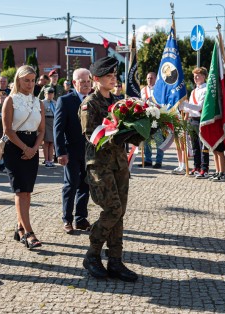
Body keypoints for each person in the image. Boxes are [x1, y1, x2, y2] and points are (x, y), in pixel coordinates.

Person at [79, 56, 138, 282]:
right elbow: (91, 135)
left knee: (119, 212)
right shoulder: (89, 104)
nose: (114, 79)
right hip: (99, 166)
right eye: (108, 76)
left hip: (119, 164)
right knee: (112, 209)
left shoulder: (119, 103)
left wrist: (138, 132)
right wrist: (118, 134)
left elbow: (126, 130)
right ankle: (92, 255)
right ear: (96, 79)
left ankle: (115, 260)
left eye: (115, 75)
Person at [2, 65, 45, 249]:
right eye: (26, 80)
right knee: (20, 191)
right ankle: (28, 232)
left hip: (33, 147)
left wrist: (34, 148)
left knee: (27, 191)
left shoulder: (39, 102)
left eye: (33, 80)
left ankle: (19, 228)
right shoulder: (10, 100)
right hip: (14, 147)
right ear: (18, 80)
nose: (30, 84)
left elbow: (42, 130)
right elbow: (7, 130)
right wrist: (25, 148)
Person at [54, 68, 91, 234]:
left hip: (89, 151)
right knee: (71, 185)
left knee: (85, 185)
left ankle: (81, 219)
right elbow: (58, 129)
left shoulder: (93, 100)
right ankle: (67, 219)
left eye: (88, 81)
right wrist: (60, 152)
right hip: (71, 151)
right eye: (82, 82)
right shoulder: (65, 100)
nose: (86, 84)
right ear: (74, 83)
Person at [182, 67, 209, 178]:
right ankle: (196, 166)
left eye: (198, 75)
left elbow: (199, 107)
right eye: (194, 76)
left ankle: (204, 168)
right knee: (194, 146)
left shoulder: (206, 89)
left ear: (203, 76)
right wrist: (183, 107)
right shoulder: (194, 91)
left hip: (201, 120)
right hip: (192, 120)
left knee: (203, 146)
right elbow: (190, 109)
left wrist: (186, 105)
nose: (195, 78)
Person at [140, 72, 164, 168]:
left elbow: (162, 103)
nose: (150, 80)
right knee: (147, 139)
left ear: (155, 79)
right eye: (148, 78)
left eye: (152, 78)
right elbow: (142, 102)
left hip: (157, 116)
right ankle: (148, 160)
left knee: (159, 140)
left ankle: (159, 161)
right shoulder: (143, 90)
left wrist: (153, 101)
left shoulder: (159, 90)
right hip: (147, 117)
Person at [42, 88, 57, 168]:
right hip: (46, 121)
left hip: (53, 122)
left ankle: (50, 160)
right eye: (48, 93)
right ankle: (47, 160)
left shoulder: (55, 102)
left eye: (51, 93)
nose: (50, 95)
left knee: (52, 142)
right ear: (45, 94)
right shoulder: (42, 103)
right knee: (46, 142)